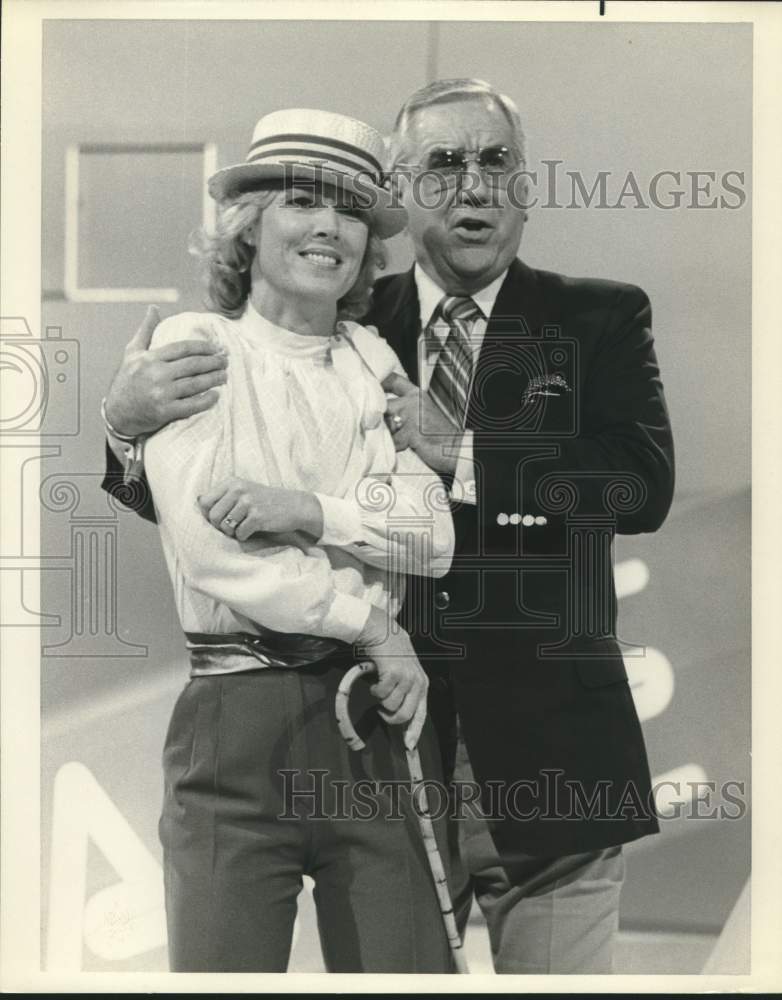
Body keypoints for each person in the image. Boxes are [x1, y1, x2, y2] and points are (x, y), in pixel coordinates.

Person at [102, 79, 675, 974]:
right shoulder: (361, 323)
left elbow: (640, 489)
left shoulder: (592, 316)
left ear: (524, 184)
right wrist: (126, 428)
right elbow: (209, 510)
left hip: (550, 765)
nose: (474, 186)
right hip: (380, 741)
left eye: (496, 162)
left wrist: (465, 453)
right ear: (404, 189)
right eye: (444, 164)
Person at [110, 107, 458, 973]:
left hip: (373, 717)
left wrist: (311, 510)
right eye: (303, 202)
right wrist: (376, 625)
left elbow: (431, 538)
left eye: (350, 211)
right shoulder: (199, 346)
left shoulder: (372, 359)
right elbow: (219, 556)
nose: (329, 228)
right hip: (240, 723)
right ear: (249, 224)